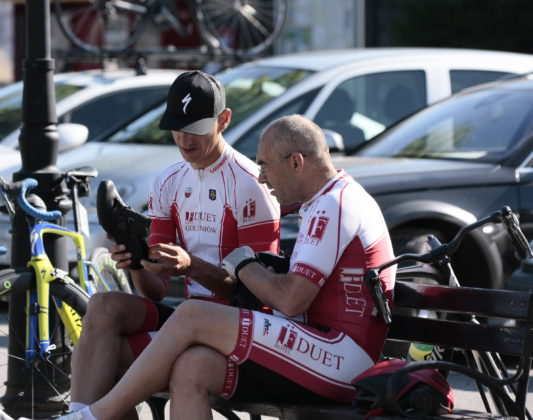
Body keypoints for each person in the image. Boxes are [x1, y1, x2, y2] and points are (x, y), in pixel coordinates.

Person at [48, 114, 396, 420]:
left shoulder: (333, 205)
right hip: (321, 346)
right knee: (192, 367)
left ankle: (92, 416)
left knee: (193, 314)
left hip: (343, 358)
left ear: (296, 162)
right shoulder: (325, 201)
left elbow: (290, 301)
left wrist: (243, 263)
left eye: (266, 165)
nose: (262, 177)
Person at [64, 71, 281, 419]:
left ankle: (80, 415)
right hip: (187, 319)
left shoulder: (252, 185)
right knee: (102, 307)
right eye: (176, 126)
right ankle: (78, 415)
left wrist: (191, 265)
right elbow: (154, 291)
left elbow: (260, 298)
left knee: (109, 358)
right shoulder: (167, 181)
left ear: (223, 120)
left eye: (195, 127)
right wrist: (136, 260)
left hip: (239, 326)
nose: (183, 138)